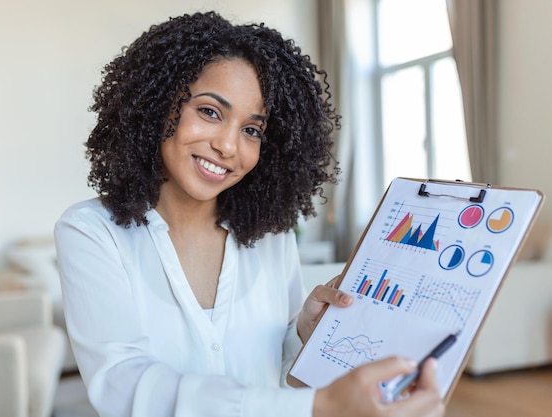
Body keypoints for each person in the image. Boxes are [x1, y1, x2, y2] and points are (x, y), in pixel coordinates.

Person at [54, 11, 444, 417]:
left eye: (252, 130)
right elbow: (125, 387)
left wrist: (303, 332)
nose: (228, 146)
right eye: (209, 111)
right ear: (155, 106)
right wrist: (320, 406)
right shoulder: (90, 232)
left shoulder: (270, 236)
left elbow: (278, 374)